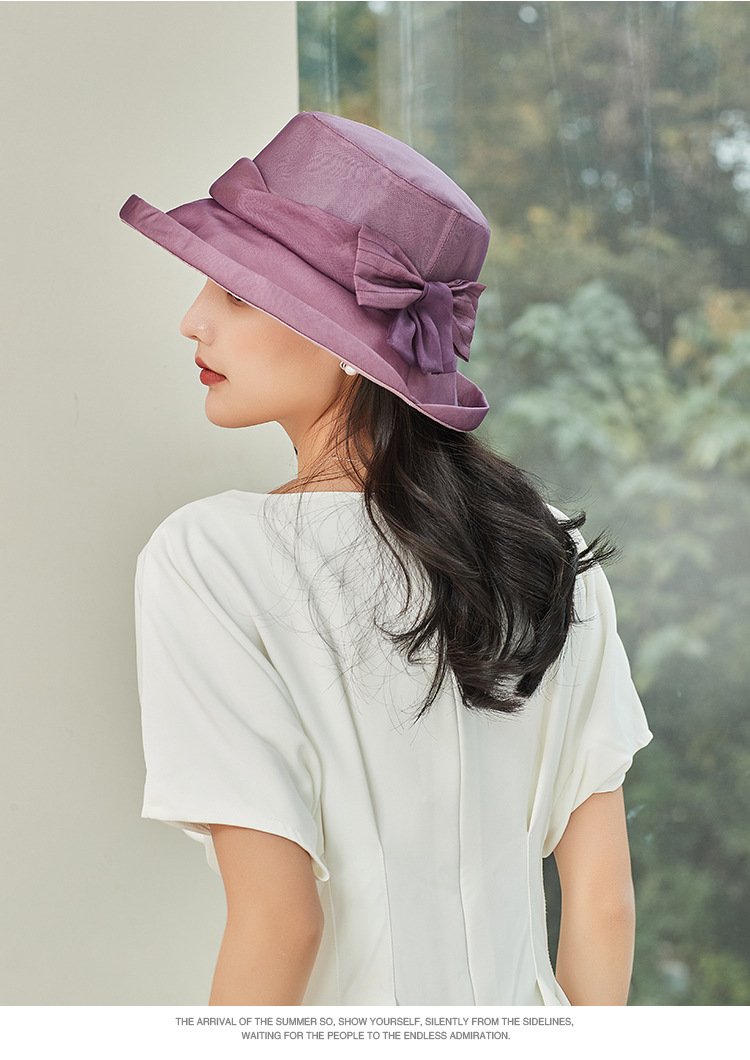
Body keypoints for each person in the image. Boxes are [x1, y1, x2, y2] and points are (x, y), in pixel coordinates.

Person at [121, 111, 652, 1007]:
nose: (193, 320)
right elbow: (602, 906)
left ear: (347, 345)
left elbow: (280, 921)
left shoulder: (211, 557)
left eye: (238, 292)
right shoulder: (547, 549)